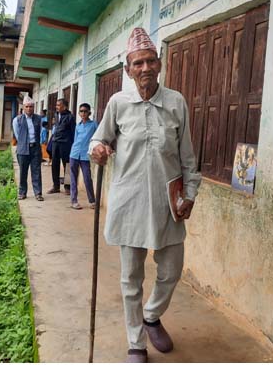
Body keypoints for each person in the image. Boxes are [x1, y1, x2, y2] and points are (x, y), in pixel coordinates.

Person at [89, 27, 201, 363]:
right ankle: (136, 342)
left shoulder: (175, 102)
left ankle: (151, 315)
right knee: (131, 278)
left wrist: (191, 193)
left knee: (171, 270)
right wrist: (97, 149)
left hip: (167, 204)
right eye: (138, 63)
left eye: (151, 61)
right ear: (128, 69)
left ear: (160, 64)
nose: (145, 68)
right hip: (130, 203)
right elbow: (100, 138)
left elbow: (188, 158)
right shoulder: (118, 103)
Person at [12, 96, 44, 201]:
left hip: (35, 148)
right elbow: (17, 134)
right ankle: (22, 192)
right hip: (22, 149)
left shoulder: (38, 119)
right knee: (23, 172)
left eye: (31, 106)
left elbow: (39, 132)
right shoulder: (17, 120)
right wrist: (23, 142)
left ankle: (38, 193)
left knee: (36, 171)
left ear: (34, 107)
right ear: (23, 108)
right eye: (27, 107)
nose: (29, 109)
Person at [68, 103, 97, 210]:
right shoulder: (78, 126)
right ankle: (74, 201)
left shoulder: (94, 125)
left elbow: (98, 137)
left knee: (87, 178)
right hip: (74, 154)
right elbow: (75, 140)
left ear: (89, 112)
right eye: (81, 111)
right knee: (73, 179)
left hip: (85, 156)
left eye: (85, 111)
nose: (83, 113)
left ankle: (92, 201)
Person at [47, 98, 75, 195]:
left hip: (65, 143)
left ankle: (67, 187)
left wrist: (72, 145)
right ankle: (56, 186)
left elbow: (73, 132)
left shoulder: (70, 117)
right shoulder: (56, 115)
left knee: (66, 165)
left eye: (59, 105)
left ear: (65, 106)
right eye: (56, 105)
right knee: (54, 164)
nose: (57, 107)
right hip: (55, 142)